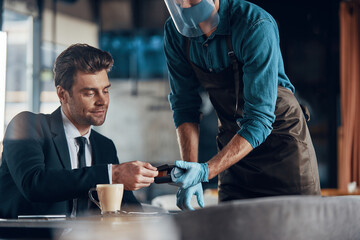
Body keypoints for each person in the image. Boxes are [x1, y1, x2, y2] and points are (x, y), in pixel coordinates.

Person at [163, 0, 321, 210]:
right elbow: (184, 106)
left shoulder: (255, 24)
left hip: (282, 147)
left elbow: (259, 120)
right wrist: (192, 172)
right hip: (233, 153)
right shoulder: (175, 33)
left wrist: (206, 171)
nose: (182, 4)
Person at [0, 44, 158, 218]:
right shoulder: (26, 125)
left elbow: (127, 205)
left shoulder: (104, 146)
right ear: (62, 94)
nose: (102, 101)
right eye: (90, 93)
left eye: (105, 91)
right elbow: (34, 184)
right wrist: (112, 174)